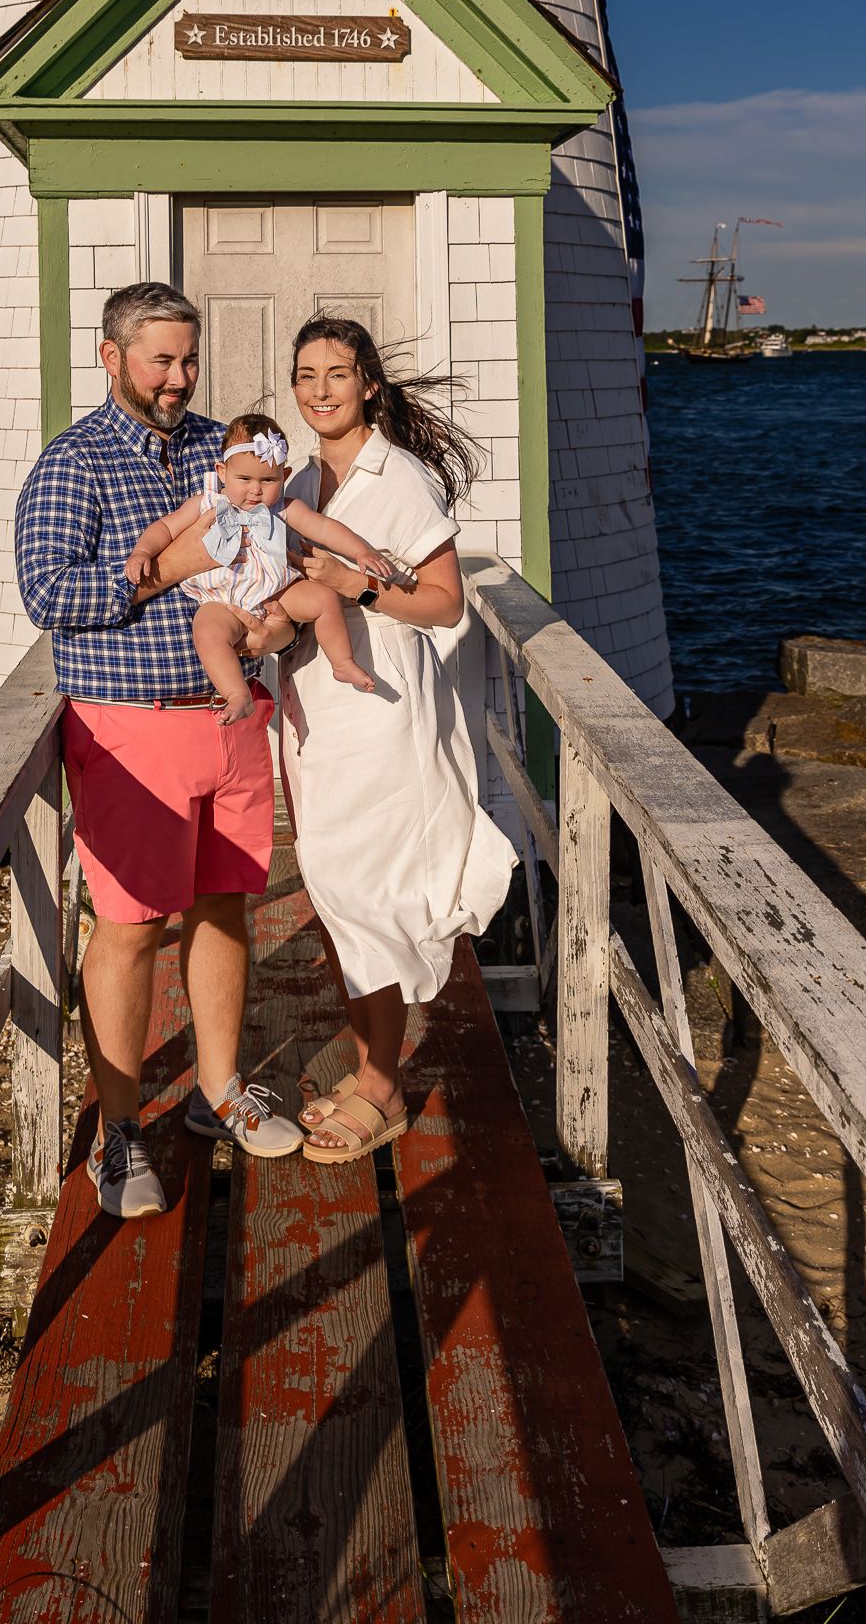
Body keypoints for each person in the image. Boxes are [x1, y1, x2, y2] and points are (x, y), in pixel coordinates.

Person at [14, 283, 304, 1220]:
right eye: (160, 361)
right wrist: (165, 573)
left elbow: (277, 555)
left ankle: (220, 1094)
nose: (179, 379)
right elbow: (48, 594)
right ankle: (120, 1134)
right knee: (133, 928)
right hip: (130, 724)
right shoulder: (76, 464)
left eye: (189, 359)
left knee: (225, 906)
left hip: (232, 718)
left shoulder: (231, 450)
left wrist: (273, 628)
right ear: (111, 357)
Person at [278, 316, 517, 1166]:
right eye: (305, 375)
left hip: (381, 714)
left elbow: (446, 602)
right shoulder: (300, 478)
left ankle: (382, 1090)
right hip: (313, 715)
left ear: (368, 383)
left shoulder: (401, 477)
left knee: (366, 892)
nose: (318, 390)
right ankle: (372, 1068)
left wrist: (361, 587)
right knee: (340, 891)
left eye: (336, 374)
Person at [124, 409, 400, 721]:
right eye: (244, 479)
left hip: (275, 593)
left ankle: (342, 662)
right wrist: (142, 553)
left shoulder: (284, 508)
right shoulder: (207, 502)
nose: (256, 489)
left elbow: (324, 529)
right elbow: (165, 528)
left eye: (268, 480)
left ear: (284, 476)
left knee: (323, 598)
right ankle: (237, 693)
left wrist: (361, 551)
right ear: (222, 471)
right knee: (208, 631)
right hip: (221, 599)